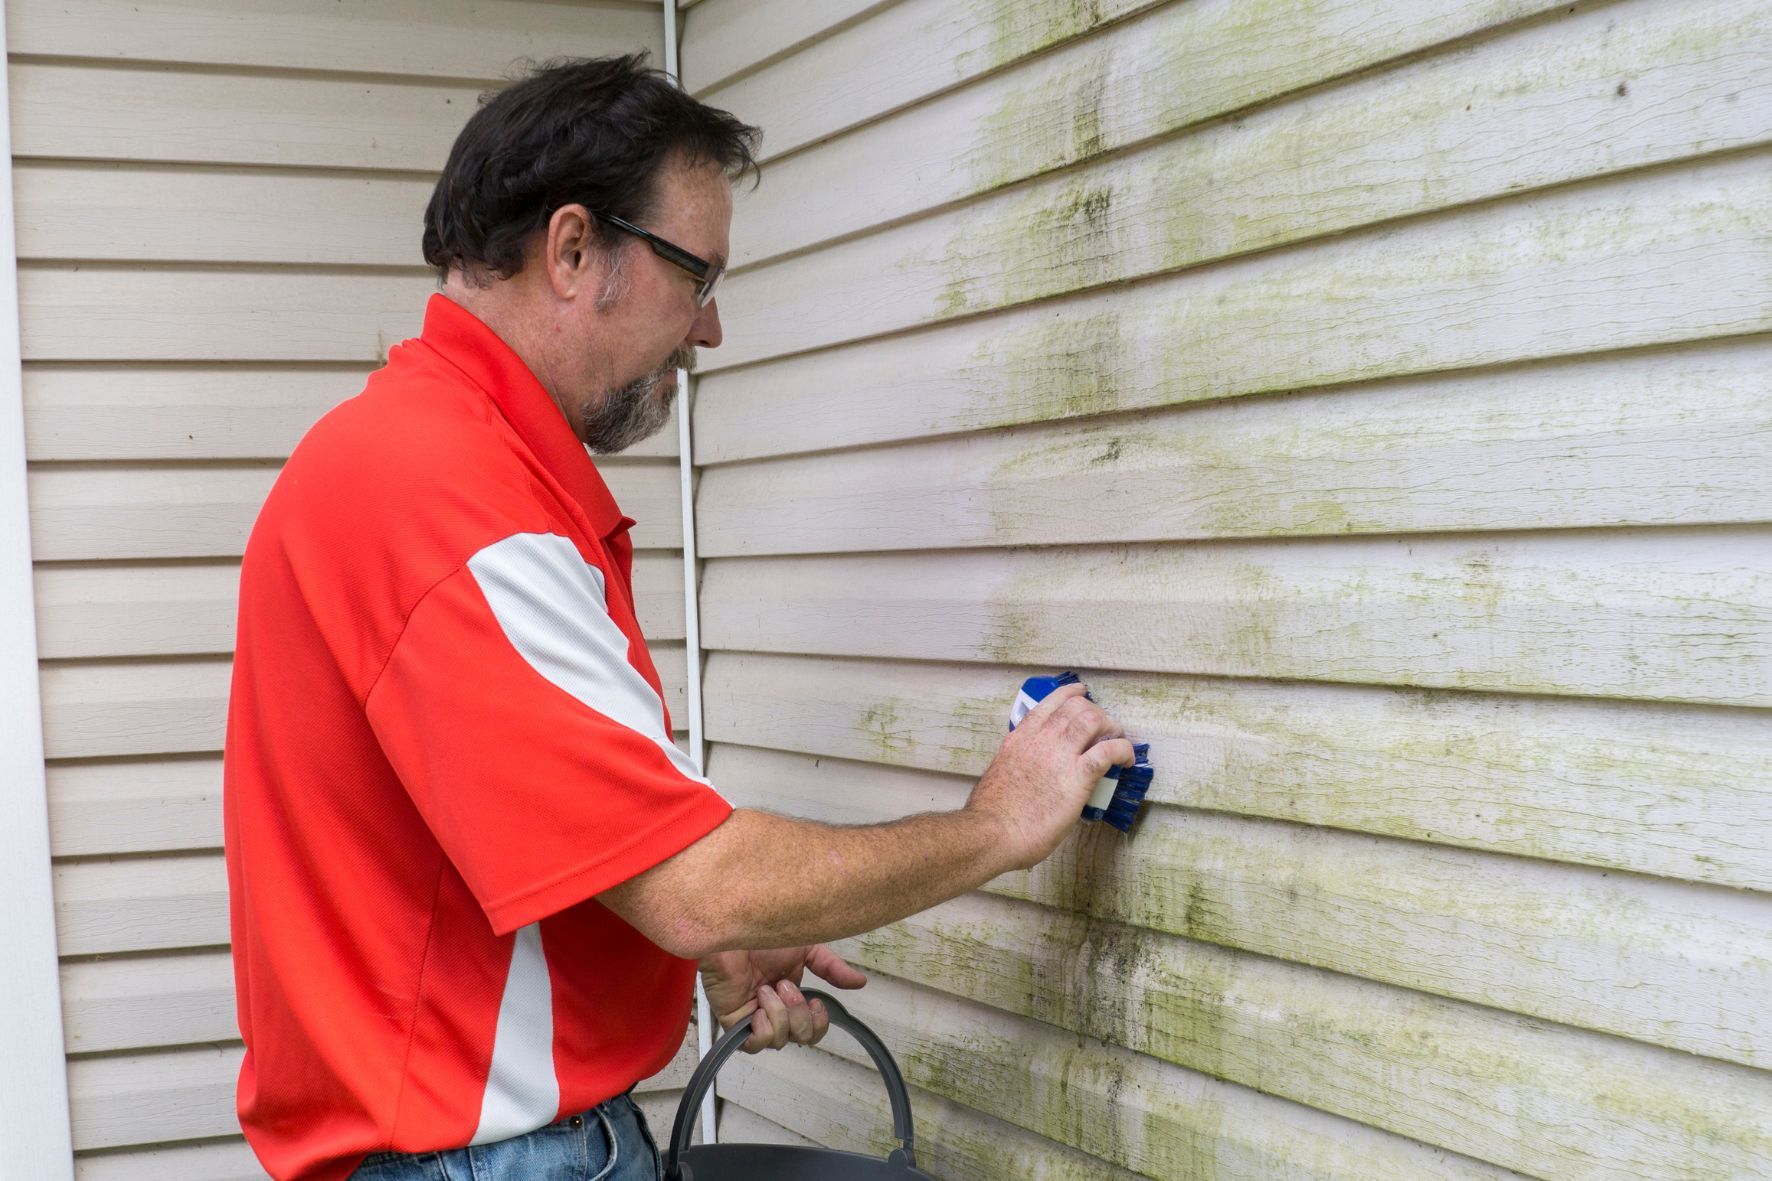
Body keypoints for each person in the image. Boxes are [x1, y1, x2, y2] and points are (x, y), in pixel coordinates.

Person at [222, 53, 1134, 1181]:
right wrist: (996, 823)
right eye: (693, 275)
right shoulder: (445, 498)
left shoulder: (424, 461)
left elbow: (494, 846)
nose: (709, 330)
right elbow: (691, 879)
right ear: (570, 250)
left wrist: (685, 943)